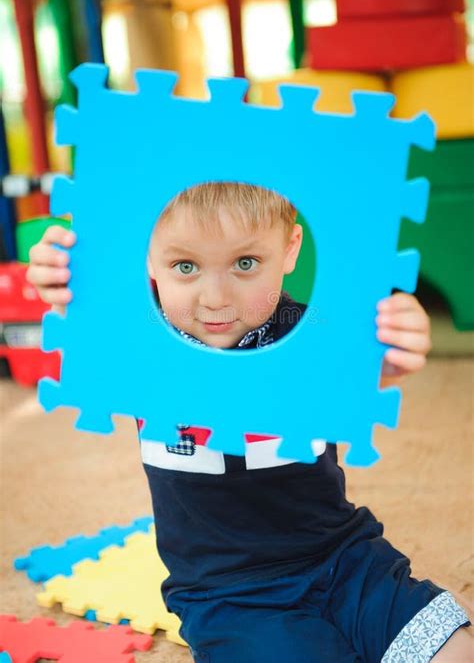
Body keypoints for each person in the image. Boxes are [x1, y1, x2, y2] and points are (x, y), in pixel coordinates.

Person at [27, 182, 472, 662]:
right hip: (228, 595)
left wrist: (396, 343)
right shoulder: (137, 342)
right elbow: (87, 330)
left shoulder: (314, 331)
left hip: (345, 558)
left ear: (290, 249)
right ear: (147, 260)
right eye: (185, 266)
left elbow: (366, 359)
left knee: (455, 649)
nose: (215, 299)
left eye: (245, 264)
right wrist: (61, 286)